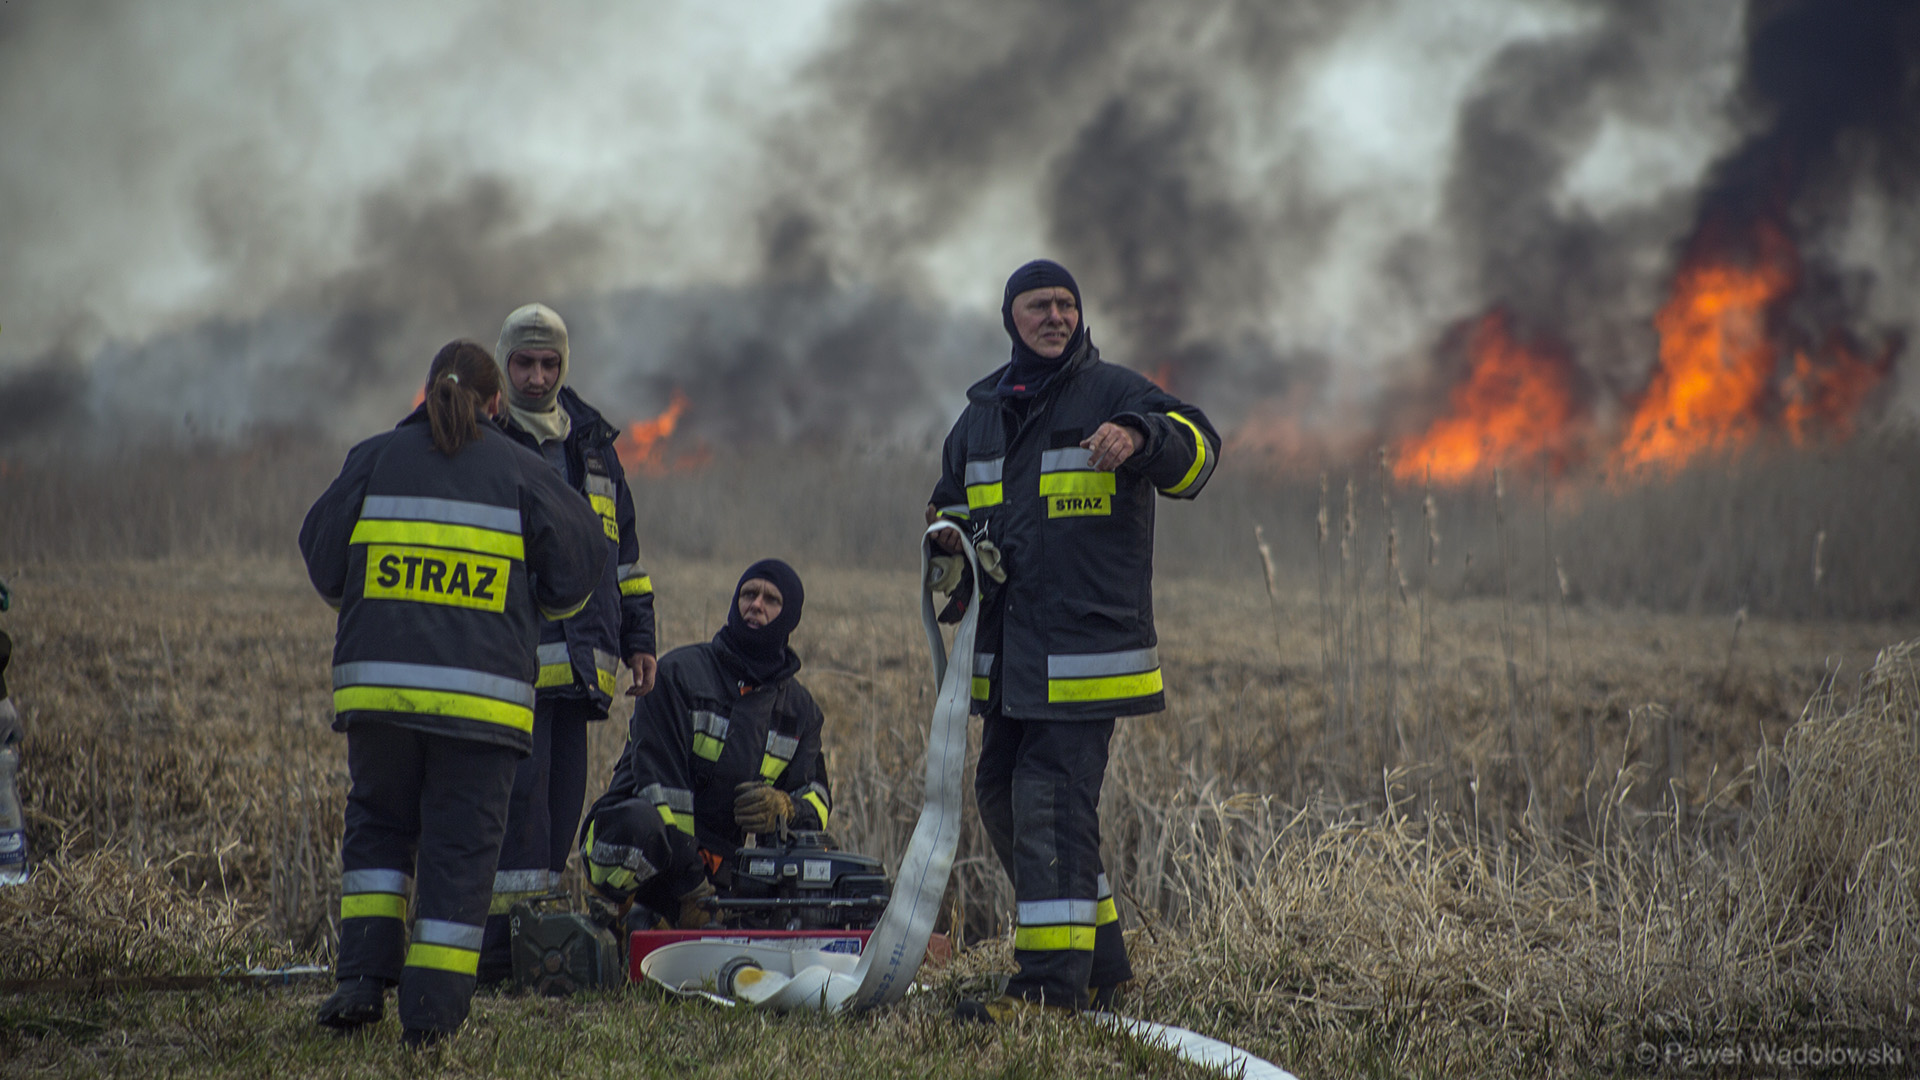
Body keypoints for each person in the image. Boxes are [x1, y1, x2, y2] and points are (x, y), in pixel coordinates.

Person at [926, 259, 1220, 1020]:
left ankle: (1048, 991)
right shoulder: (982, 413)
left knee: (1048, 801)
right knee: (1002, 794)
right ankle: (1103, 967)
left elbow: (1200, 453)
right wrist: (951, 551)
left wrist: (1142, 436)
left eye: (1066, 304)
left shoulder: (1114, 392)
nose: (1055, 316)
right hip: (1010, 662)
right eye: (1038, 305)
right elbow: (947, 508)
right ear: (1010, 319)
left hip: (1085, 660)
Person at [299, 340, 607, 1047]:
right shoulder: (521, 470)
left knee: (378, 828)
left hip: (378, 698)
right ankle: (431, 1018)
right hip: (482, 707)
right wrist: (538, 606)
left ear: (427, 388)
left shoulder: (373, 458)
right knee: (461, 852)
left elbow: (322, 558)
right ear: (498, 402)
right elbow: (582, 562)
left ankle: (360, 982)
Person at [477, 302, 658, 982]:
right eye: (523, 362)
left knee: (556, 818)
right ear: (503, 362)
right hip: (510, 668)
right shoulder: (485, 440)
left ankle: (539, 950)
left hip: (581, 670)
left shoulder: (592, 444)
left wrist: (639, 639)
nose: (535, 375)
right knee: (513, 820)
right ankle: (497, 960)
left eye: (549, 362)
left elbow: (625, 559)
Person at [578, 559, 831, 928]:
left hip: (720, 871)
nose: (755, 605)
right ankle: (609, 925)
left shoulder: (800, 711)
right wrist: (694, 890)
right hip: (645, 848)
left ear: (789, 616)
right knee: (639, 823)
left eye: (770, 599)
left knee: (818, 853)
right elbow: (661, 791)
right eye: (748, 593)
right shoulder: (677, 676)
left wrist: (787, 809)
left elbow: (818, 797)